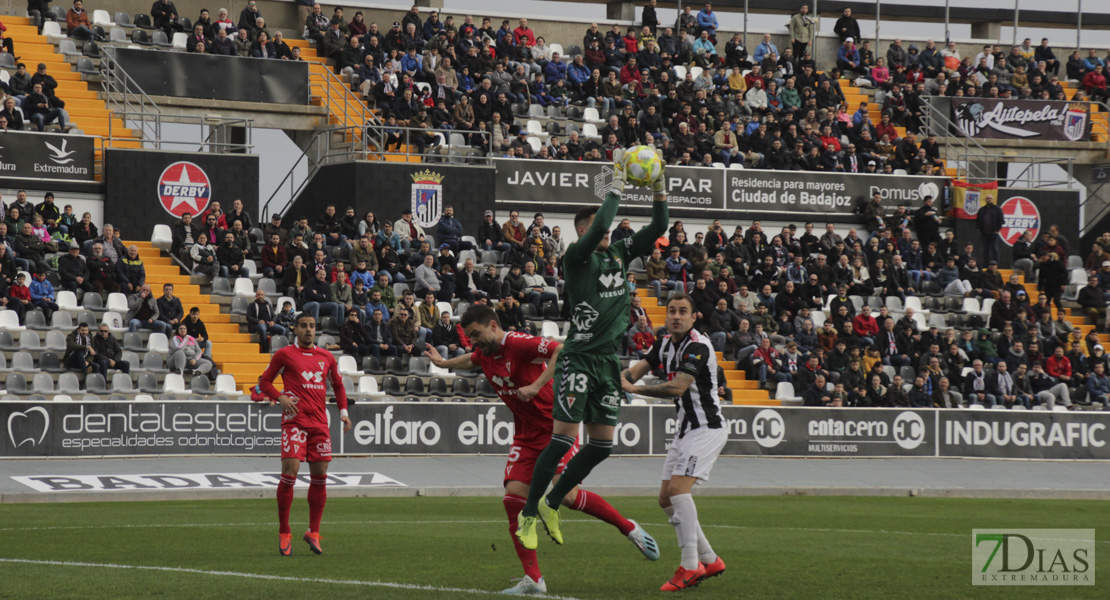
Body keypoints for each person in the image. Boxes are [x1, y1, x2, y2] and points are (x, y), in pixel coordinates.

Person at [425, 304, 657, 594]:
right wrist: (444, 364)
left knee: (568, 496)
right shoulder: (484, 352)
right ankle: (534, 580)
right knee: (513, 500)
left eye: (476, 334)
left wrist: (536, 385)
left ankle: (628, 527)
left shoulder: (518, 343)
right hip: (525, 436)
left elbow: (561, 351)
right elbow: (471, 360)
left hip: (557, 429)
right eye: (469, 336)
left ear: (493, 326)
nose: (473, 341)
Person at [516, 151, 668, 550]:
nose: (607, 233)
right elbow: (603, 219)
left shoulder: (618, 253)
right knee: (564, 439)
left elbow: (660, 225)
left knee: (602, 445)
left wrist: (658, 186)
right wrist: (617, 181)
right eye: (598, 230)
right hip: (579, 357)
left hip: (607, 361)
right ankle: (528, 515)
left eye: (608, 230)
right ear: (581, 232)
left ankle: (552, 502)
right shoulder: (575, 258)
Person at [622, 293, 727, 590]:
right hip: (685, 430)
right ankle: (709, 558)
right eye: (672, 311)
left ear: (694, 317)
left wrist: (635, 389)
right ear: (666, 316)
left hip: (707, 428)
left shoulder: (697, 346)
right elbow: (635, 370)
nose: (676, 316)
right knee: (666, 498)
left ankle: (690, 565)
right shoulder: (665, 342)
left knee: (679, 490)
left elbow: (678, 388)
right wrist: (615, 380)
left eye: (683, 311)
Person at [252, 313, 351, 556]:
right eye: (304, 326)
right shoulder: (284, 354)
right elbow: (264, 382)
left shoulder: (326, 356)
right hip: (294, 421)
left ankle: (313, 532)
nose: (309, 330)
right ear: (295, 329)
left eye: (312, 326)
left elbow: (338, 385)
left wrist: (344, 412)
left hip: (319, 424)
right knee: (290, 474)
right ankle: (285, 532)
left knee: (320, 477)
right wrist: (280, 397)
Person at [976, 195, 1003, 265]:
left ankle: (997, 266)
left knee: (995, 250)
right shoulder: (981, 209)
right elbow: (978, 220)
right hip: (984, 233)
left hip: (994, 233)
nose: (989, 200)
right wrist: (979, 229)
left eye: (990, 198)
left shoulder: (997, 209)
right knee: (985, 251)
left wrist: (997, 230)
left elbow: (1001, 220)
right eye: (987, 198)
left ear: (993, 199)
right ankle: (986, 266)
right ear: (985, 200)